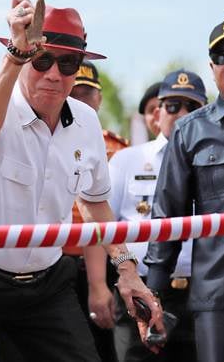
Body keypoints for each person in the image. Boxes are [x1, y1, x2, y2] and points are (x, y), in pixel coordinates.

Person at [0, 0, 164, 362]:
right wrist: (13, 57)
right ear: (22, 57)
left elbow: (95, 201)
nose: (54, 73)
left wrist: (127, 270)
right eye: (42, 59)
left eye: (68, 63)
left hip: (46, 285)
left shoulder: (86, 122)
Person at [145, 13, 224, 362]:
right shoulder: (189, 131)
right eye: (223, 57)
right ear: (212, 65)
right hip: (220, 298)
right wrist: (153, 295)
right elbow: (168, 214)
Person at [101, 69, 206, 361]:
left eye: (191, 106)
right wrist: (99, 284)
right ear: (158, 112)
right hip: (141, 287)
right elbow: (103, 223)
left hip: (202, 292)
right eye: (172, 105)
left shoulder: (215, 160)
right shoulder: (127, 159)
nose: (181, 113)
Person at [66, 61, 128, 362]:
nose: (80, 101)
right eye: (73, 92)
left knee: (105, 350)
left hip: (106, 259)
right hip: (55, 264)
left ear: (99, 98)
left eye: (87, 93)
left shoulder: (117, 149)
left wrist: (100, 282)